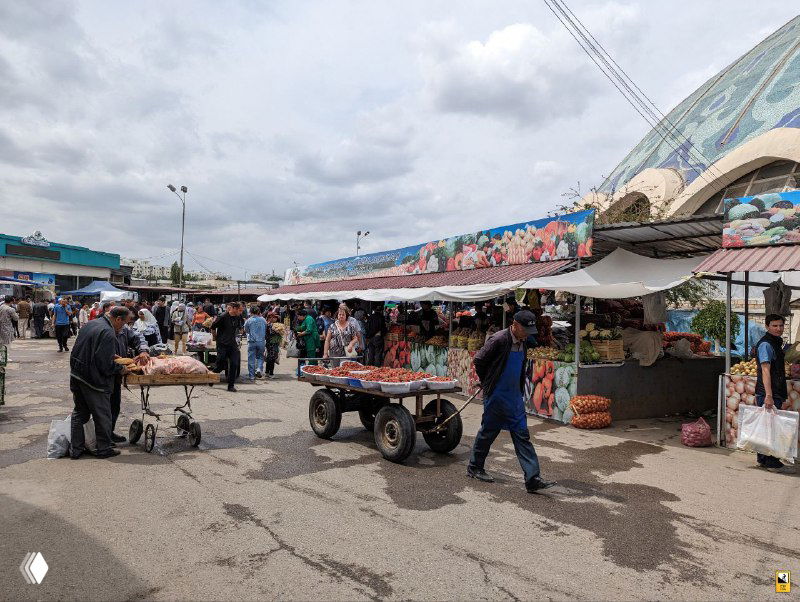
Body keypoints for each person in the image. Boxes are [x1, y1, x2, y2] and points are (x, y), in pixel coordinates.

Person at [467, 310, 555, 494]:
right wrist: (487, 381)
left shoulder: (525, 341)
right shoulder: (499, 339)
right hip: (497, 395)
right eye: (525, 330)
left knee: (522, 435)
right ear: (514, 324)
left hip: (514, 396)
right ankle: (475, 467)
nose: (527, 334)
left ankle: (532, 478)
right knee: (488, 432)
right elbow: (479, 360)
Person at [69, 306, 132, 459]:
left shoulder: (92, 323)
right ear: (117, 319)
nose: (123, 327)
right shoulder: (108, 332)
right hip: (93, 380)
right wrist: (121, 369)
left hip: (77, 374)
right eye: (123, 324)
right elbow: (105, 366)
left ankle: (75, 450)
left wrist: (111, 356)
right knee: (103, 415)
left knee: (80, 413)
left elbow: (91, 349)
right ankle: (104, 449)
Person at [755, 314, 790, 471]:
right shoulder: (766, 345)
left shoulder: (775, 343)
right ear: (767, 326)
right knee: (771, 428)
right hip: (769, 392)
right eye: (775, 326)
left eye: (781, 326)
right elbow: (765, 370)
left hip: (772, 391)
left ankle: (763, 459)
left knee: (767, 426)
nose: (778, 329)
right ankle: (771, 462)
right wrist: (768, 395)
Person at [109, 310, 150, 443]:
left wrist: (143, 351)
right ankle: (102, 438)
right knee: (103, 407)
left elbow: (138, 338)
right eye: (125, 323)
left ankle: (109, 432)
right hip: (103, 374)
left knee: (114, 405)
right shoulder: (104, 330)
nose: (126, 326)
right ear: (118, 319)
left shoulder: (124, 329)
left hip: (117, 373)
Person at [212, 302, 243, 392]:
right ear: (233, 308)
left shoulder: (238, 317)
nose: (239, 311)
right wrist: (215, 338)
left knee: (234, 364)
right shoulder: (223, 317)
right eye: (238, 310)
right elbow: (213, 326)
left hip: (232, 344)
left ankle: (231, 386)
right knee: (221, 364)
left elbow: (239, 327)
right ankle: (212, 377)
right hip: (222, 344)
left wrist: (241, 330)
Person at [244, 306, 267, 381]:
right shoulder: (263, 320)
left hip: (252, 341)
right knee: (260, 357)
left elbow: (246, 330)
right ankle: (259, 369)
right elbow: (265, 328)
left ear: (250, 312)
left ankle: (252, 376)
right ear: (258, 312)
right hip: (261, 341)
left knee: (251, 358)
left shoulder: (248, 320)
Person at [264, 313, 282, 378]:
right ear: (269, 318)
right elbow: (272, 333)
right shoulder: (269, 325)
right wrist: (279, 331)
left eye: (275, 317)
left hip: (272, 343)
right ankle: (270, 373)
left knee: (271, 358)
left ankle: (268, 373)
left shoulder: (271, 324)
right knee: (271, 358)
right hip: (271, 343)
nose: (275, 318)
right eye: (273, 317)